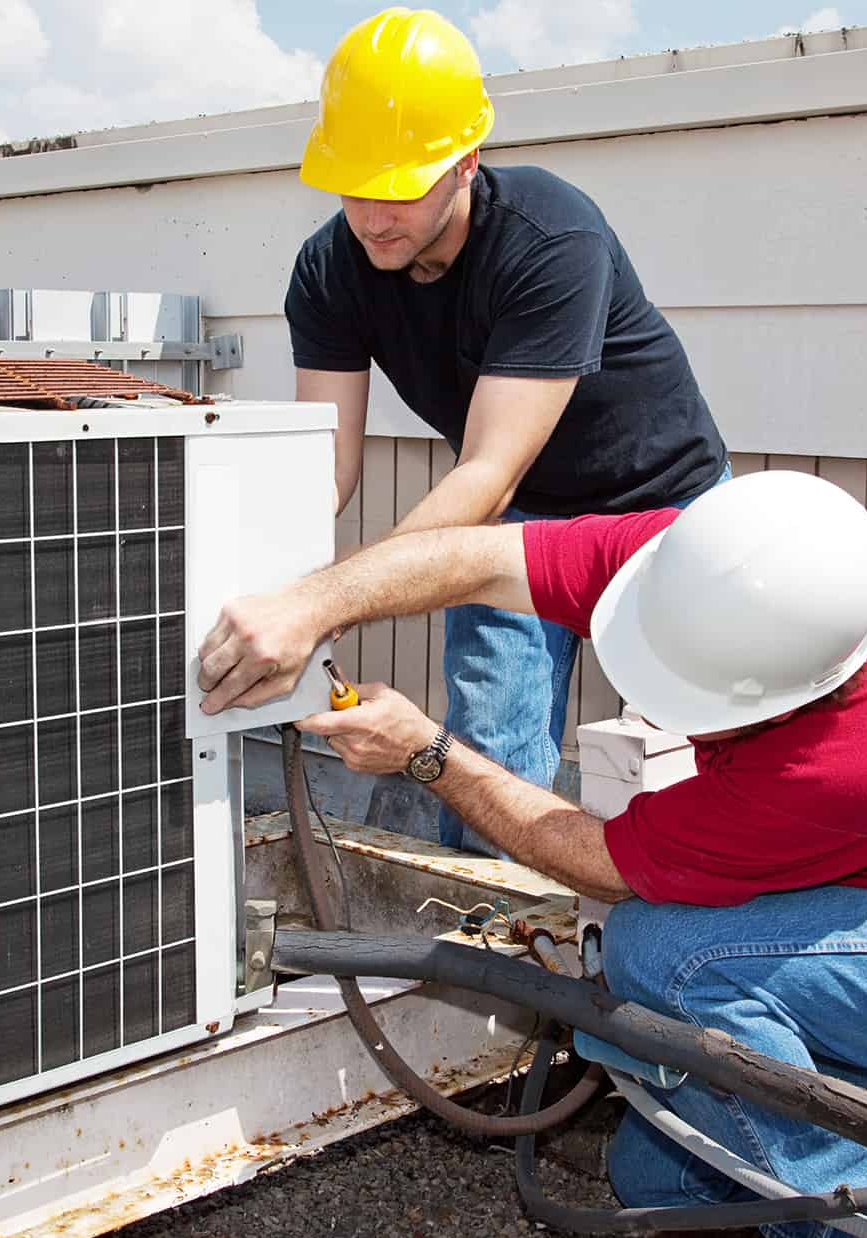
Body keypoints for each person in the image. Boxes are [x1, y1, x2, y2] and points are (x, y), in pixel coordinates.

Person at [196, 471, 867, 1238]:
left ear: (781, 700)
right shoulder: (699, 569)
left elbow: (599, 862)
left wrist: (428, 751)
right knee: (655, 1183)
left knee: (663, 956)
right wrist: (314, 603)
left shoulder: (843, 762)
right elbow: (471, 557)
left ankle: (856, 1227)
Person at [285, 7, 730, 853]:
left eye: (403, 186)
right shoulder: (328, 270)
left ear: (465, 163)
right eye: (355, 186)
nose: (375, 216)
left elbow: (488, 467)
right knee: (487, 751)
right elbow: (327, 467)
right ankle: (501, 958)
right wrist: (275, 583)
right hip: (519, 519)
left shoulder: (550, 237)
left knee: (703, 746)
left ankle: (683, 947)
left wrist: (327, 602)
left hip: (665, 511)